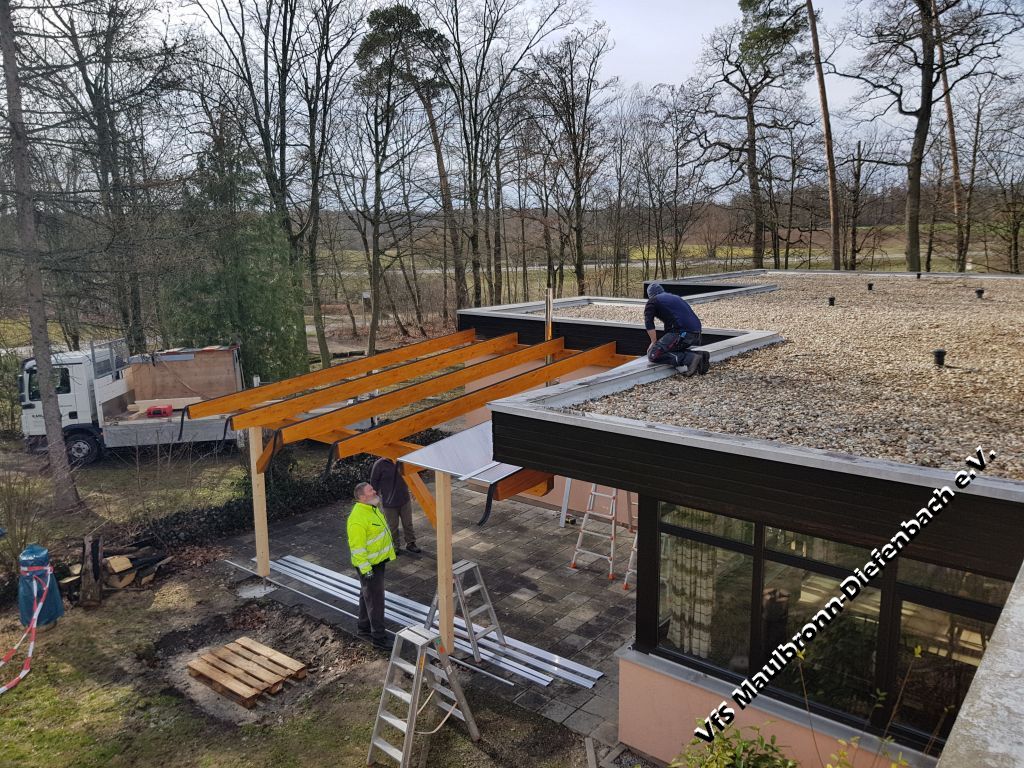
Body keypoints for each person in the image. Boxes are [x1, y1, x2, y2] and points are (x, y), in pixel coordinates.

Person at [347, 481, 396, 650]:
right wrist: (366, 570)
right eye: (370, 491)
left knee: (366, 594)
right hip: (369, 566)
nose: (375, 491)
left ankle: (364, 628)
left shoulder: (371, 509)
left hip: (377, 562)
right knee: (376, 601)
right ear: (362, 497)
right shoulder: (357, 519)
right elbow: (357, 549)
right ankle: (379, 639)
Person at [643, 282, 710, 376]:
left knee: (653, 354)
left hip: (683, 333)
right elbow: (670, 326)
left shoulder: (653, 301)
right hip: (696, 333)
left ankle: (690, 359)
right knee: (669, 349)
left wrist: (653, 342)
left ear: (650, 295)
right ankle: (701, 356)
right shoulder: (675, 297)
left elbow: (648, 322)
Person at [370, 456, 421, 555]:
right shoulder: (379, 465)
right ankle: (395, 546)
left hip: (404, 499)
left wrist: (414, 490)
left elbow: (411, 475)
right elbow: (374, 483)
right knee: (392, 526)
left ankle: (411, 543)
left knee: (408, 523)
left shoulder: (403, 460)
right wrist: (374, 499)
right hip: (389, 503)